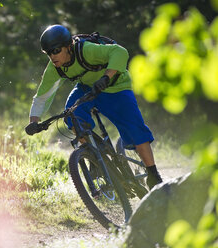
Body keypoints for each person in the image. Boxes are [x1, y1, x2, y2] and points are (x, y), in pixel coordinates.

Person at [25, 24, 163, 189]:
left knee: (135, 130)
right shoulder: (56, 68)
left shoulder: (86, 51)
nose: (52, 57)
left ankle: (153, 173)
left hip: (116, 87)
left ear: (68, 47)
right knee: (72, 113)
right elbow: (42, 96)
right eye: (48, 53)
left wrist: (106, 77)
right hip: (88, 89)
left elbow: (120, 52)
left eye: (56, 50)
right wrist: (34, 121)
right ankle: (94, 155)